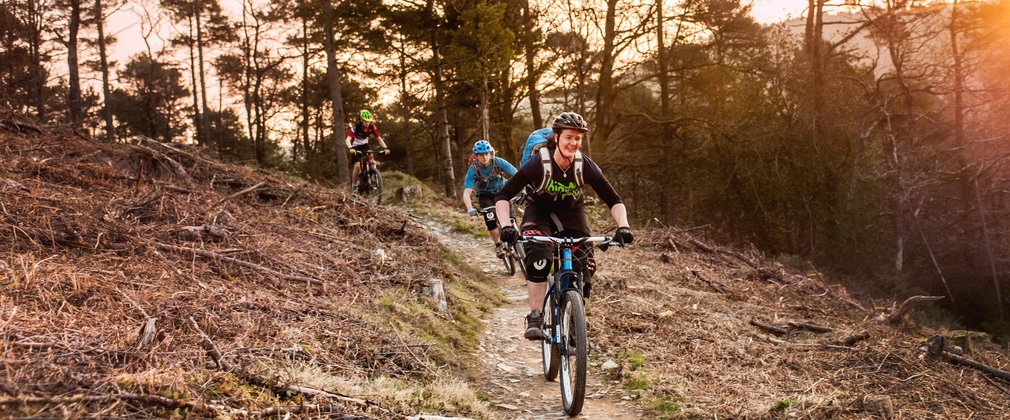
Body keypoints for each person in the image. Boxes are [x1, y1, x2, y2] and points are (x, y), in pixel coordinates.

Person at [494, 112, 634, 340]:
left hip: (572, 212)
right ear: (556, 137)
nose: (573, 143)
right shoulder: (539, 162)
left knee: (585, 265)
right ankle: (536, 316)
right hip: (539, 211)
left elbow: (613, 200)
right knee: (539, 257)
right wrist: (506, 226)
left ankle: (572, 308)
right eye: (569, 137)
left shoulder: (584, 165)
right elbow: (503, 194)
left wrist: (623, 227)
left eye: (578, 139)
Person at [463, 140, 518, 257]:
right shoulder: (473, 169)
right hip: (485, 195)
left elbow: (517, 174)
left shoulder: (498, 162)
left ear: (490, 153)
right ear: (476, 156)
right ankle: (498, 245)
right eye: (481, 155)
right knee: (490, 218)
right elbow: (467, 191)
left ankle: (518, 243)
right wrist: (469, 208)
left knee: (511, 218)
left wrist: (522, 188)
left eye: (487, 154)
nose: (484, 157)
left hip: (502, 192)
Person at [345, 109, 388, 190]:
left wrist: (385, 147)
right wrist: (350, 148)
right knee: (357, 167)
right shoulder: (356, 127)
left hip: (365, 145)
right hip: (354, 146)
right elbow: (347, 139)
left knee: (371, 155)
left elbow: (379, 138)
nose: (367, 123)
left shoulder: (372, 126)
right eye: (365, 121)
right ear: (362, 120)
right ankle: (354, 185)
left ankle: (373, 173)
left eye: (369, 121)